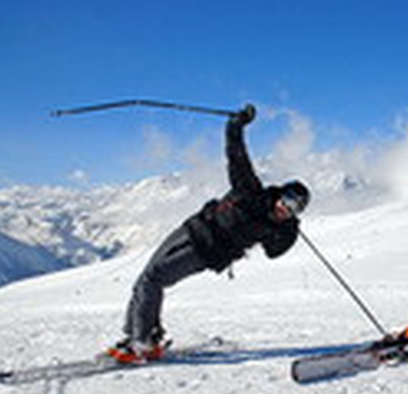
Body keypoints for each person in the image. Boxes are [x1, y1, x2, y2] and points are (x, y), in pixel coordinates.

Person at [108, 104, 310, 363]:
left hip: (208, 251)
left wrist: (289, 230)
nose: (287, 208)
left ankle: (142, 342)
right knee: (146, 278)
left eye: (295, 208)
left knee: (153, 280)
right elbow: (237, 158)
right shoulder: (252, 193)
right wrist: (235, 126)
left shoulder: (278, 228)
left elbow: (274, 252)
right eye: (287, 200)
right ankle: (141, 334)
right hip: (192, 228)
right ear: (280, 194)